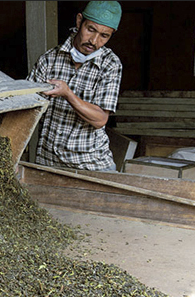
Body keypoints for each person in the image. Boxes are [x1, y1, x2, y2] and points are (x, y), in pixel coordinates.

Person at [27, 1, 123, 171]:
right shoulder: (49, 60)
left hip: (91, 165)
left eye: (104, 36)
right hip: (48, 163)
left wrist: (67, 94)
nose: (94, 41)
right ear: (79, 21)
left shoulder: (110, 65)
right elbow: (26, 110)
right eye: (90, 30)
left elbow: (100, 119)